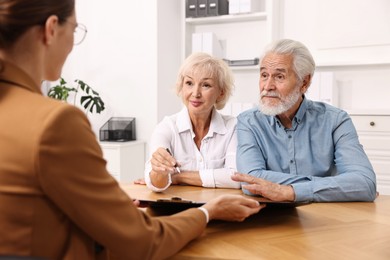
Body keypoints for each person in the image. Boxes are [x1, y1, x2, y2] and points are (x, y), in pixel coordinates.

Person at [0, 1, 264, 259]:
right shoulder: (55, 122)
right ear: (51, 29)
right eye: (75, 29)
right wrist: (208, 212)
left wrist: (106, 212)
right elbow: (144, 242)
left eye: (205, 85)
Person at [231, 39, 377, 203]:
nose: (267, 86)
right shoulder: (249, 122)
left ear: (304, 82)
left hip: (329, 218)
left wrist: (290, 192)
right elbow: (250, 181)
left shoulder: (336, 120)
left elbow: (365, 184)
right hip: (273, 219)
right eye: (264, 75)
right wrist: (338, 186)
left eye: (279, 76)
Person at [144, 52, 240, 192]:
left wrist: (178, 177)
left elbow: (236, 178)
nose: (195, 93)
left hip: (220, 209)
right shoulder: (167, 127)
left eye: (206, 85)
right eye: (189, 83)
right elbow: (155, 184)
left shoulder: (233, 127)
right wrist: (159, 172)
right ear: (181, 87)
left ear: (221, 92)